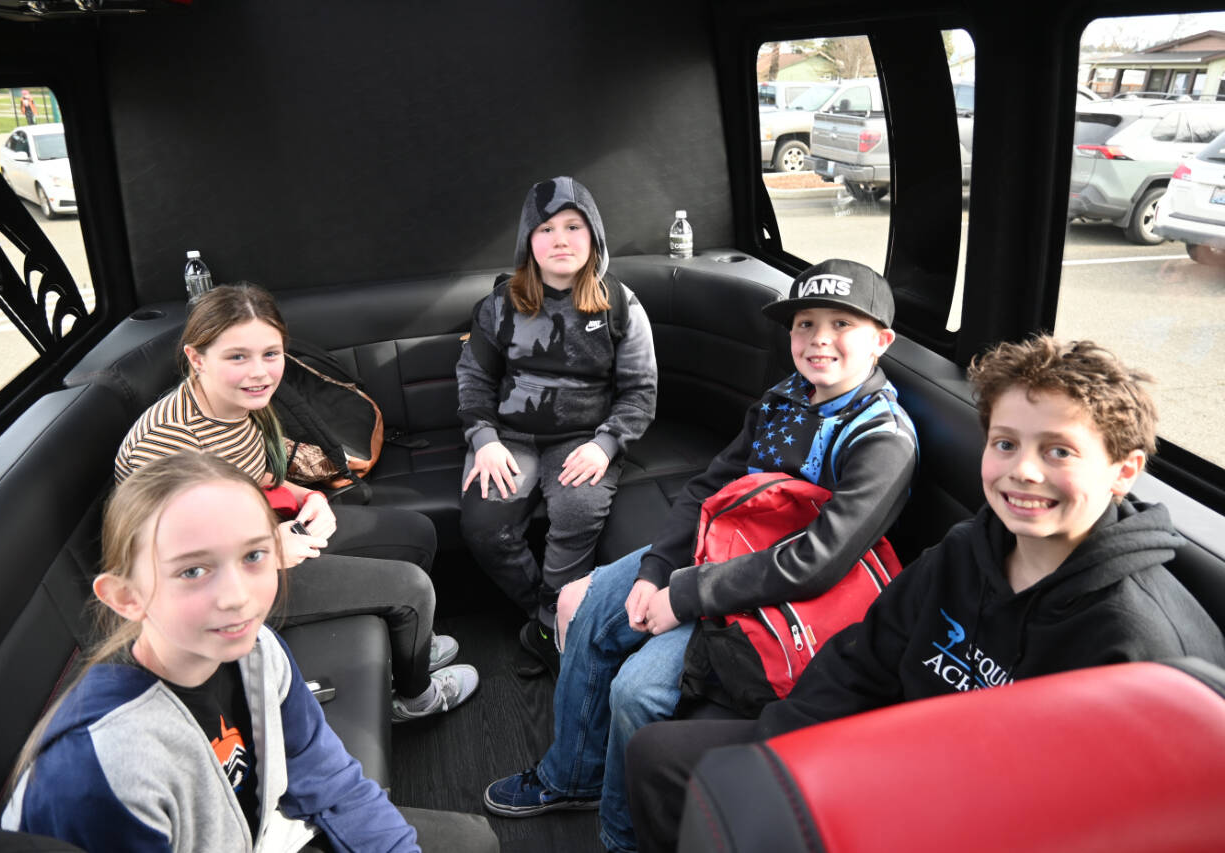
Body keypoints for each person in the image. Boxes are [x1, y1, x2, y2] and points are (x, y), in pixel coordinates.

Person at [624, 335, 1225, 853]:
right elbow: (861, 662)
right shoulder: (965, 552)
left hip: (985, 825)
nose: (1024, 471)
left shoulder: (1140, 644)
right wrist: (777, 757)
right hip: (889, 758)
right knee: (663, 762)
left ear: (1123, 471)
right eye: (1006, 443)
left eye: (1059, 451)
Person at [483, 258, 918, 853]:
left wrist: (681, 596)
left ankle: (622, 836)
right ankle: (571, 777)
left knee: (636, 691)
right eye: (805, 323)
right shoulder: (784, 399)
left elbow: (815, 561)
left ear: (881, 342)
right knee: (588, 609)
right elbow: (707, 489)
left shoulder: (882, 440)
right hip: (718, 551)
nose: (819, 339)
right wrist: (656, 570)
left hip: (779, 601)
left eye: (842, 324)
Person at [2, 452, 499, 852]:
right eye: (193, 571)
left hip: (268, 830)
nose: (237, 595)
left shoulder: (257, 646)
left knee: (475, 841)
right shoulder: (100, 771)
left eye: (253, 556)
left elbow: (321, 769)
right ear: (127, 597)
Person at [115, 283, 477, 722]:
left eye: (271, 354)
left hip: (259, 537)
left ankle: (410, 646)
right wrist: (264, 552)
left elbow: (265, 473)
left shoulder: (243, 404)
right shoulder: (166, 443)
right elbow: (164, 562)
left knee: (416, 533)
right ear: (196, 359)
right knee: (412, 590)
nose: (260, 372)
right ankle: (416, 698)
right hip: (223, 590)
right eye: (237, 357)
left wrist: (310, 497)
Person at [456, 176, 657, 675]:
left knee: (577, 511)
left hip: (585, 440)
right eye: (546, 229)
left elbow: (640, 392)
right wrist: (483, 441)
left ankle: (550, 627)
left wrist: (607, 446)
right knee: (485, 526)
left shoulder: (621, 305)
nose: (561, 239)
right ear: (529, 241)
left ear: (594, 237)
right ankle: (543, 615)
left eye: (574, 226)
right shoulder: (500, 305)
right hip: (510, 438)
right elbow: (474, 380)